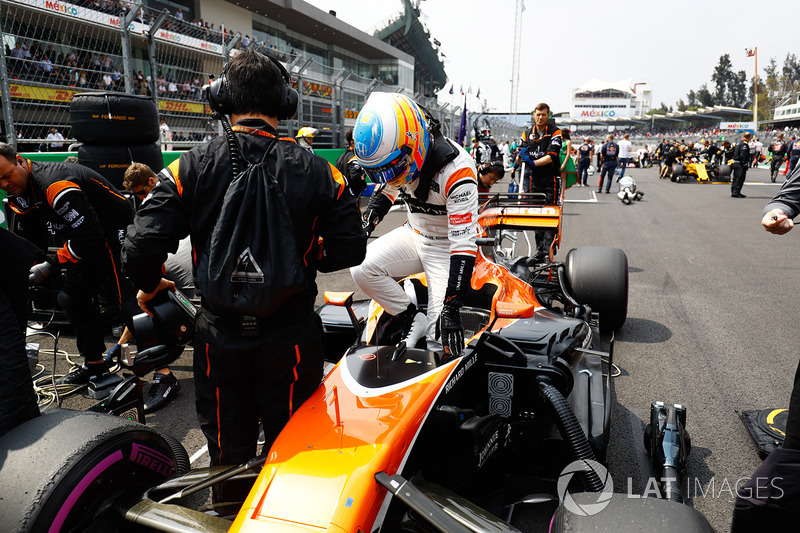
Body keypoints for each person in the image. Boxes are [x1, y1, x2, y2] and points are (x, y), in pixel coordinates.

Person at [122, 49, 365, 500]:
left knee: (227, 455)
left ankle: (228, 511)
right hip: (290, 338)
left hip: (219, 339)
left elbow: (138, 247)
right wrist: (304, 259)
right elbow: (351, 247)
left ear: (220, 99)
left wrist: (152, 283)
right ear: (286, 104)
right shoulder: (322, 172)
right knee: (292, 450)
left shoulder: (187, 167)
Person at [351, 92, 479, 358]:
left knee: (439, 335)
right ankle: (411, 316)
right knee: (361, 268)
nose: (391, 178)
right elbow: (386, 192)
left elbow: (464, 245)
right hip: (414, 234)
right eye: (380, 172)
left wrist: (452, 308)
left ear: (415, 140)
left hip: (447, 247)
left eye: (393, 169)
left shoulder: (458, 170)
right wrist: (366, 226)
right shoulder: (397, 155)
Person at [0, 143, 135, 385]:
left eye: (7, 175)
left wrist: (51, 264)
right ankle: (95, 366)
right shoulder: (18, 194)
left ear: (19, 160)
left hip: (116, 231)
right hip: (88, 237)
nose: (5, 184)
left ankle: (162, 371)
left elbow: (91, 235)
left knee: (128, 304)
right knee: (72, 297)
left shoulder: (55, 184)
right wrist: (25, 269)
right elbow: (33, 237)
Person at [103, 163, 185, 412]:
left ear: (151, 181)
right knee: (144, 302)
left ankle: (165, 374)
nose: (140, 198)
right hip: (174, 266)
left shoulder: (161, 202)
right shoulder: (155, 201)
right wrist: (121, 344)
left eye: (141, 192)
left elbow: (143, 303)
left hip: (185, 277)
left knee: (155, 307)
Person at [518, 103, 562, 261]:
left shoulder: (555, 133)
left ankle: (548, 251)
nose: (540, 117)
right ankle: (540, 251)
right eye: (538, 114)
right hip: (533, 179)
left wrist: (533, 163)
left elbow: (552, 156)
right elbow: (519, 158)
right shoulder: (527, 133)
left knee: (549, 213)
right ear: (534, 115)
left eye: (543, 114)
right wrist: (519, 156)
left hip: (551, 178)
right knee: (537, 214)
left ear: (548, 115)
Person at [334, 129, 367, 206]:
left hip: (340, 198)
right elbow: (355, 177)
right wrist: (362, 183)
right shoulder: (354, 158)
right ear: (352, 142)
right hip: (351, 198)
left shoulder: (340, 158)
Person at [731, 132, 751, 198]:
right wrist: (745, 163)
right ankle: (736, 192)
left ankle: (733, 191)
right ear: (749, 137)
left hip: (735, 162)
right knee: (740, 178)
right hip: (740, 164)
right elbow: (743, 155)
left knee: (735, 178)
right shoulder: (744, 145)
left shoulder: (738, 143)